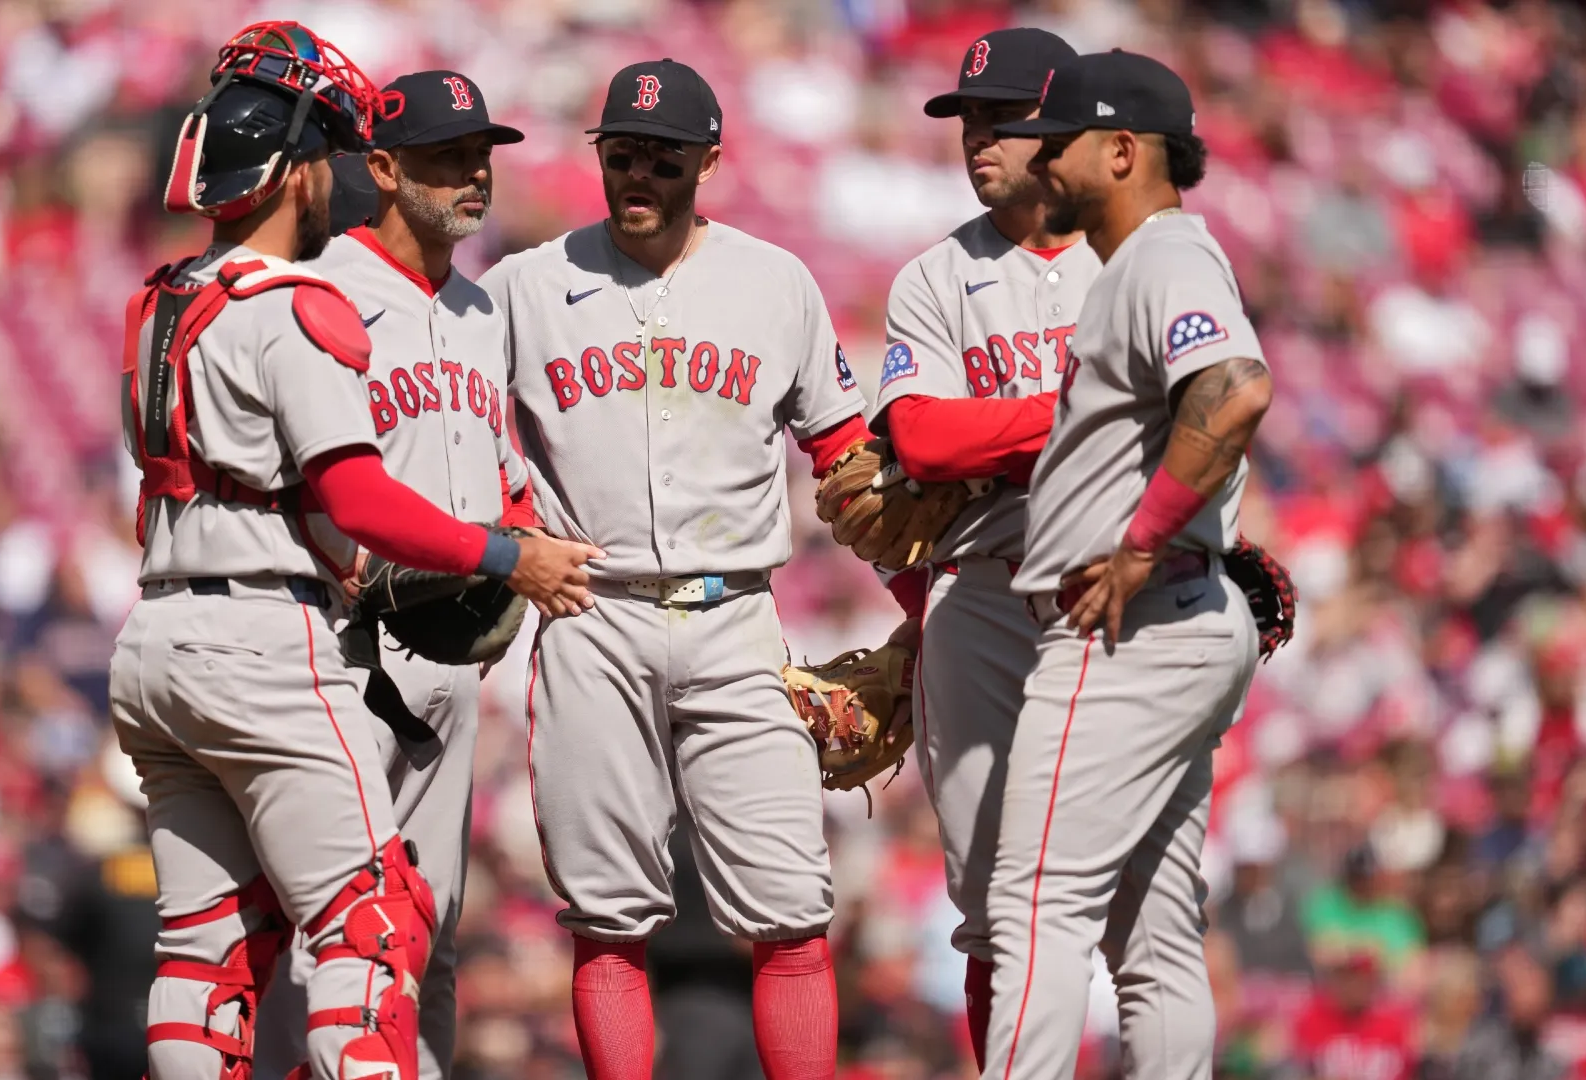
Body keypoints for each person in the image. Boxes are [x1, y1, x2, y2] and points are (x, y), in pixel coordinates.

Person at [107, 24, 600, 1080]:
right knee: (373, 921)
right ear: (296, 170)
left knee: (205, 952)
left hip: (157, 640)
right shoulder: (296, 303)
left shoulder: (161, 302)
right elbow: (356, 495)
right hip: (266, 643)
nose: (341, 176)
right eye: (331, 152)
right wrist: (507, 557)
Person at [476, 58, 872, 1080]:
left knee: (791, 907)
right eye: (620, 154)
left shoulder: (774, 281)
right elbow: (457, 434)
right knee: (605, 913)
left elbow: (845, 456)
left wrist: (927, 605)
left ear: (705, 161)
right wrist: (513, 536)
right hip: (590, 614)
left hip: (736, 612)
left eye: (662, 156)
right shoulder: (524, 286)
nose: (638, 173)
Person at [979, 50, 1274, 1079]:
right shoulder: (1154, 263)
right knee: (1152, 940)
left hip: (1123, 634)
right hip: (1184, 618)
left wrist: (1147, 538)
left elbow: (1235, 390)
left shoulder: (1160, 257)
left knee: (1037, 908)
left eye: (1058, 145)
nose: (1042, 163)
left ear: (1120, 149)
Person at [254, 69, 531, 1080]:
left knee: (438, 933)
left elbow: (504, 471)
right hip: (343, 653)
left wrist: (515, 536)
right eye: (445, 156)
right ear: (380, 167)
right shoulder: (323, 286)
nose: (472, 173)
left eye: (480, 153)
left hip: (450, 662)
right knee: (332, 927)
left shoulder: (480, 308)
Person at [861, 29, 1099, 1068]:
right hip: (980, 595)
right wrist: (1080, 418)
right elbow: (919, 437)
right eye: (968, 121)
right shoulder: (935, 276)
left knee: (1122, 893)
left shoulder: (1129, 259)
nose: (977, 141)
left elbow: (1202, 419)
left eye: (1001, 120)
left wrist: (996, 437)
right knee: (992, 904)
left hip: (1111, 588)